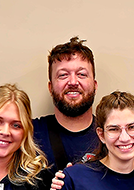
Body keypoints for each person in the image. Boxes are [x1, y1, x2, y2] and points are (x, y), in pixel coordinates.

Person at [33, 36, 100, 169]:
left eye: (81, 74)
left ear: (95, 85)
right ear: (50, 87)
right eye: (63, 75)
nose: (73, 82)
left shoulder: (111, 135)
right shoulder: (29, 134)